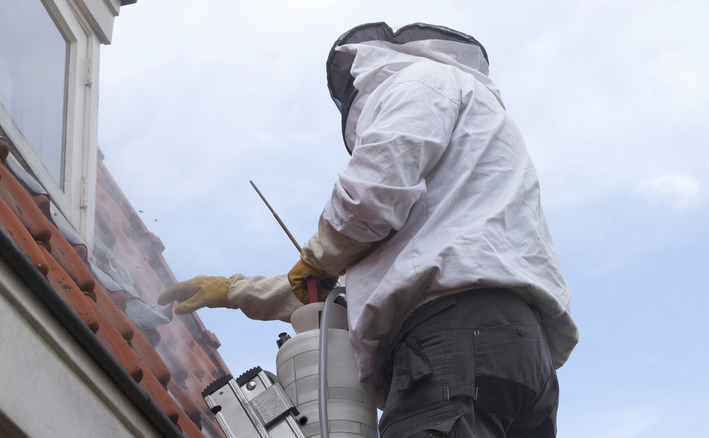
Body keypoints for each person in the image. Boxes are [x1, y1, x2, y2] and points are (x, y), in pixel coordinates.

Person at [159, 22, 578, 437]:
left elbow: (371, 194)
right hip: (522, 356)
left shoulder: (418, 81)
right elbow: (332, 293)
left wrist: (317, 256)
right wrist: (234, 290)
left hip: (452, 340)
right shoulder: (475, 140)